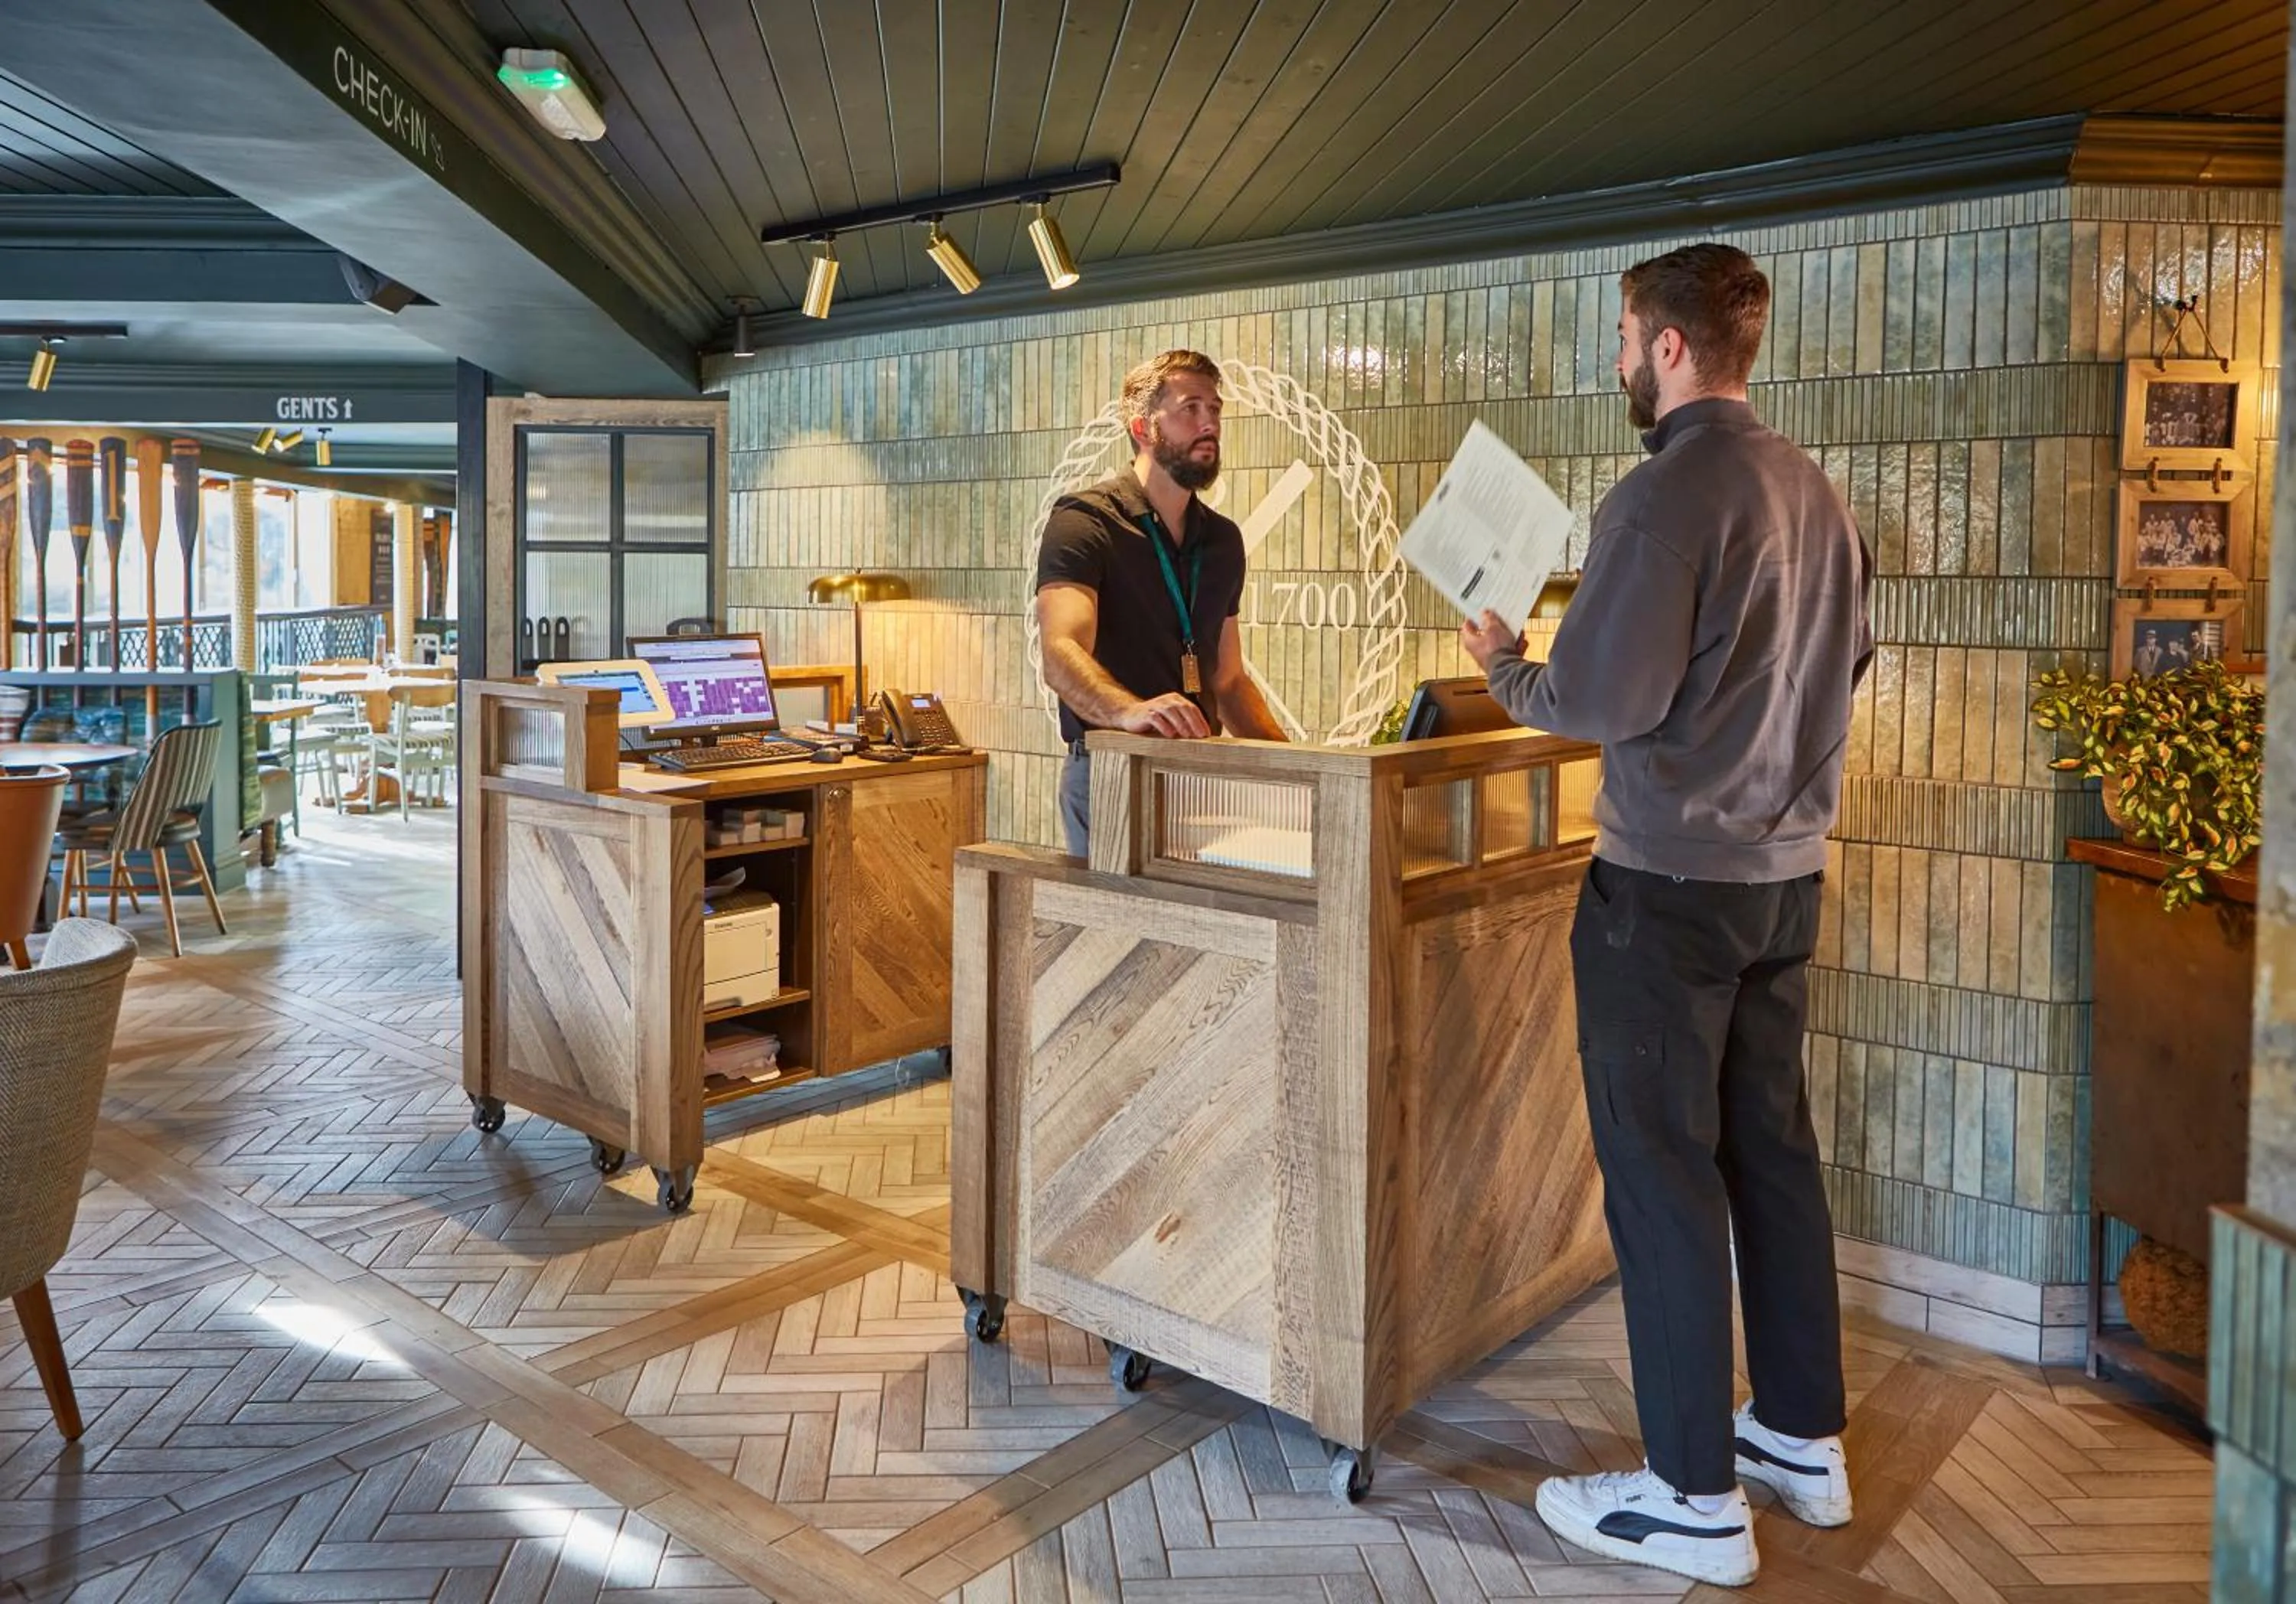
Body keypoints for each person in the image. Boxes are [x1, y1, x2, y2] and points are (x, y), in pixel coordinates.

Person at [1459, 243, 1873, 1589]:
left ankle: (1695, 1491)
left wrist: (1507, 665)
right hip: (1784, 884)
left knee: (1663, 1177)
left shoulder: (1656, 498)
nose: (1619, 359)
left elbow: (1602, 697)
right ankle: (1802, 1435)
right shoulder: (1817, 494)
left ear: (1673, 347)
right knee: (1772, 1154)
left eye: (1626, 336)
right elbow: (1843, 661)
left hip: (1667, 896)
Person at [1035, 350, 1287, 856]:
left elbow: (1228, 680)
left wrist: (1300, 767)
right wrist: (1130, 712)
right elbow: (1060, 655)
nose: (1209, 422)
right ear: (1142, 427)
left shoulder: (1222, 541)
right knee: (1118, 934)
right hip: (1114, 773)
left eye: (1215, 409)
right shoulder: (1083, 521)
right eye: (1190, 408)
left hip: (1201, 777)